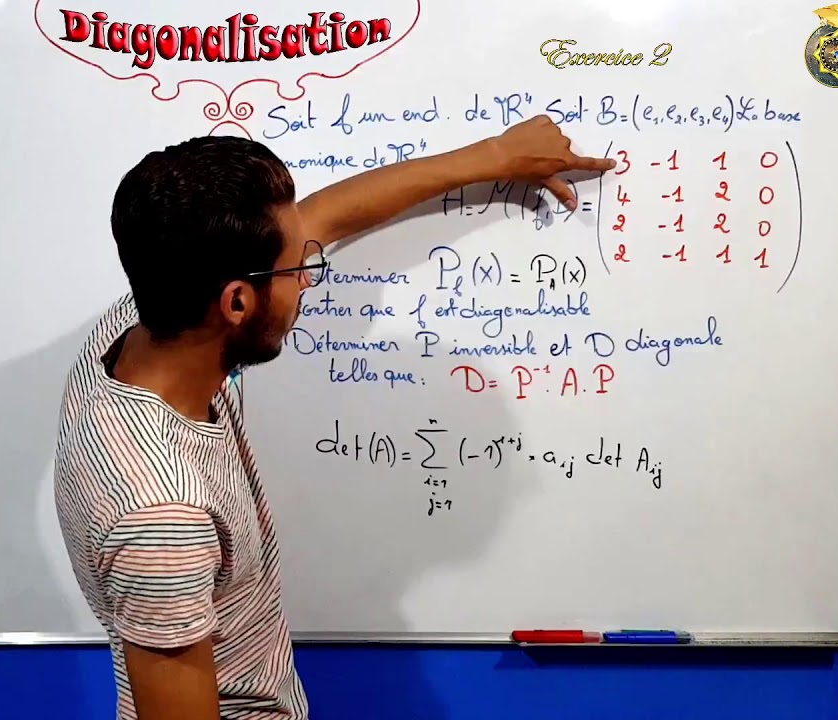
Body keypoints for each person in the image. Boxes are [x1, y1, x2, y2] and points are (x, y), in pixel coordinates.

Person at [52, 115, 615, 720]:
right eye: (298, 270)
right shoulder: (162, 520)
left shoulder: (143, 322)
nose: (306, 281)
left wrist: (498, 155)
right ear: (237, 301)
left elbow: (322, 217)